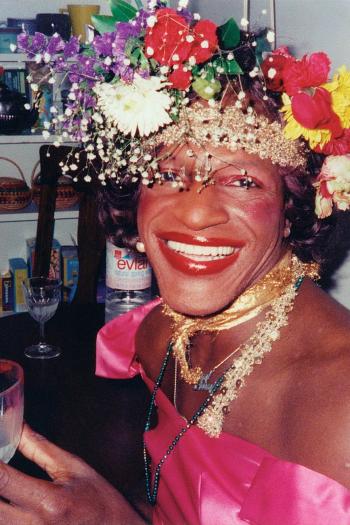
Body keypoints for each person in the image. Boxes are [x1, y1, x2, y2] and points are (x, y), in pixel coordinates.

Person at [3, 2, 350, 523]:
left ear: (291, 209)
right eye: (165, 174)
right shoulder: (160, 336)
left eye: (241, 180)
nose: (193, 214)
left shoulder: (341, 404)